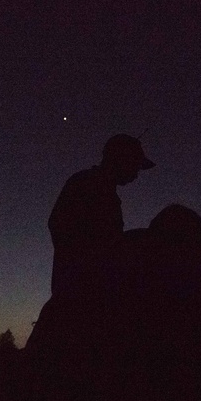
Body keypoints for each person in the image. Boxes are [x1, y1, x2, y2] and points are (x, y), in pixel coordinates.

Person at [26, 133, 155, 356]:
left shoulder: (100, 189)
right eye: (134, 165)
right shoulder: (87, 184)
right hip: (78, 303)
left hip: (84, 301)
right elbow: (63, 229)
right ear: (120, 159)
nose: (136, 175)